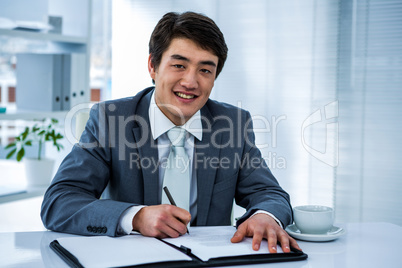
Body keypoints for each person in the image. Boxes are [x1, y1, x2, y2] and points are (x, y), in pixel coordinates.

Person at [41, 11, 300, 253]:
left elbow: (269, 194)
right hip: (132, 259)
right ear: (153, 66)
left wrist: (264, 216)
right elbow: (59, 202)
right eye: (179, 65)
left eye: (205, 70)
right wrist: (136, 216)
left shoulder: (233, 123)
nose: (190, 82)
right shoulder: (110, 120)